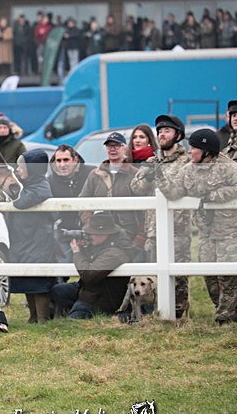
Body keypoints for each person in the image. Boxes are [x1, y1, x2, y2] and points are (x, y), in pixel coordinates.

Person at [131, 114, 192, 317]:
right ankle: (156, 312)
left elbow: (176, 192)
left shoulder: (187, 162)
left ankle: (179, 315)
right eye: (159, 131)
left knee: (179, 278)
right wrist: (148, 176)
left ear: (178, 135)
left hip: (178, 229)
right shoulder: (151, 160)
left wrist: (158, 174)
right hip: (153, 229)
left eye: (166, 131)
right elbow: (136, 188)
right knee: (155, 275)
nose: (162, 135)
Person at [179, 129, 237, 324]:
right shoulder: (188, 169)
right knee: (209, 274)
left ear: (206, 151)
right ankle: (223, 310)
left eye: (194, 147)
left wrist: (214, 196)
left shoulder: (229, 168)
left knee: (227, 276)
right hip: (205, 230)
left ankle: (225, 317)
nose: (190, 151)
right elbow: (177, 189)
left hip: (228, 230)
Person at [50, 211, 140, 319]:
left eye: (92, 232)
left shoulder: (115, 253)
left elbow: (89, 276)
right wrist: (84, 249)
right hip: (90, 291)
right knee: (58, 290)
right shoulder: (104, 244)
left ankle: (99, 314)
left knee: (72, 323)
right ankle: (69, 310)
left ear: (105, 233)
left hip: (99, 299)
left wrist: (77, 252)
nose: (89, 235)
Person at [8, 150, 55, 323]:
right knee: (27, 279)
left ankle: (42, 318)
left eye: (22, 167)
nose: (18, 170)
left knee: (38, 282)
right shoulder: (25, 184)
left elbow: (21, 202)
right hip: (23, 239)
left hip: (37, 241)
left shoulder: (41, 185)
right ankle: (33, 316)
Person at [78, 131, 142, 245]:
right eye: (109, 146)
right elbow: (83, 203)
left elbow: (145, 210)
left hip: (128, 235)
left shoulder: (135, 174)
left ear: (125, 148)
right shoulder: (95, 174)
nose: (112, 149)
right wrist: (91, 225)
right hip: (100, 236)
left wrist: (140, 237)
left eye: (117, 145)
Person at [49, 144, 94, 263]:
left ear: (75, 160)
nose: (62, 165)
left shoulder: (91, 174)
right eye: (58, 160)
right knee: (62, 270)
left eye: (66, 160)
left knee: (94, 274)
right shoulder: (50, 180)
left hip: (92, 232)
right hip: (63, 233)